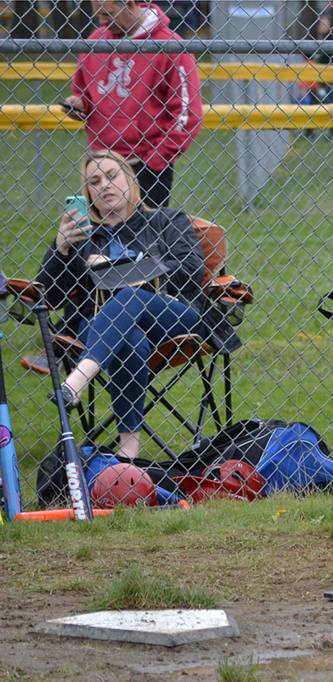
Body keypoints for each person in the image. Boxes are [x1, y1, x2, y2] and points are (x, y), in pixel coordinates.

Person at [37, 150, 240, 459]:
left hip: (172, 318)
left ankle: (76, 380)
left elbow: (190, 271)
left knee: (129, 297)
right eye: (94, 181)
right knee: (130, 338)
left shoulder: (165, 220)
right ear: (87, 193)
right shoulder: (82, 238)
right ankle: (128, 447)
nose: (104, 185)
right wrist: (60, 247)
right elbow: (48, 298)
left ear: (129, 180)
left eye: (111, 176)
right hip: (102, 327)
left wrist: (125, 266)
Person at [63, 1, 203, 209]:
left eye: (108, 14)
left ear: (129, 3)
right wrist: (80, 105)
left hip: (146, 163)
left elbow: (187, 114)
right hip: (102, 160)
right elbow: (83, 91)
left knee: (145, 234)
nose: (102, 21)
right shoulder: (96, 40)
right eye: (98, 14)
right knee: (101, 234)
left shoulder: (171, 46)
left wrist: (154, 162)